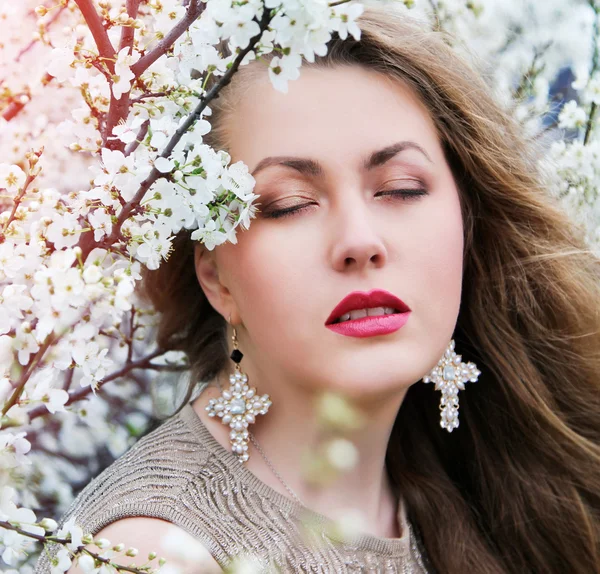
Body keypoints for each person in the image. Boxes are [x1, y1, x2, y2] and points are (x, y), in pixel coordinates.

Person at [35, 4, 600, 573]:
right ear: (215, 276)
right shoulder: (155, 552)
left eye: (401, 189)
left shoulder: (481, 488)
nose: (359, 240)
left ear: (467, 225)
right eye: (289, 205)